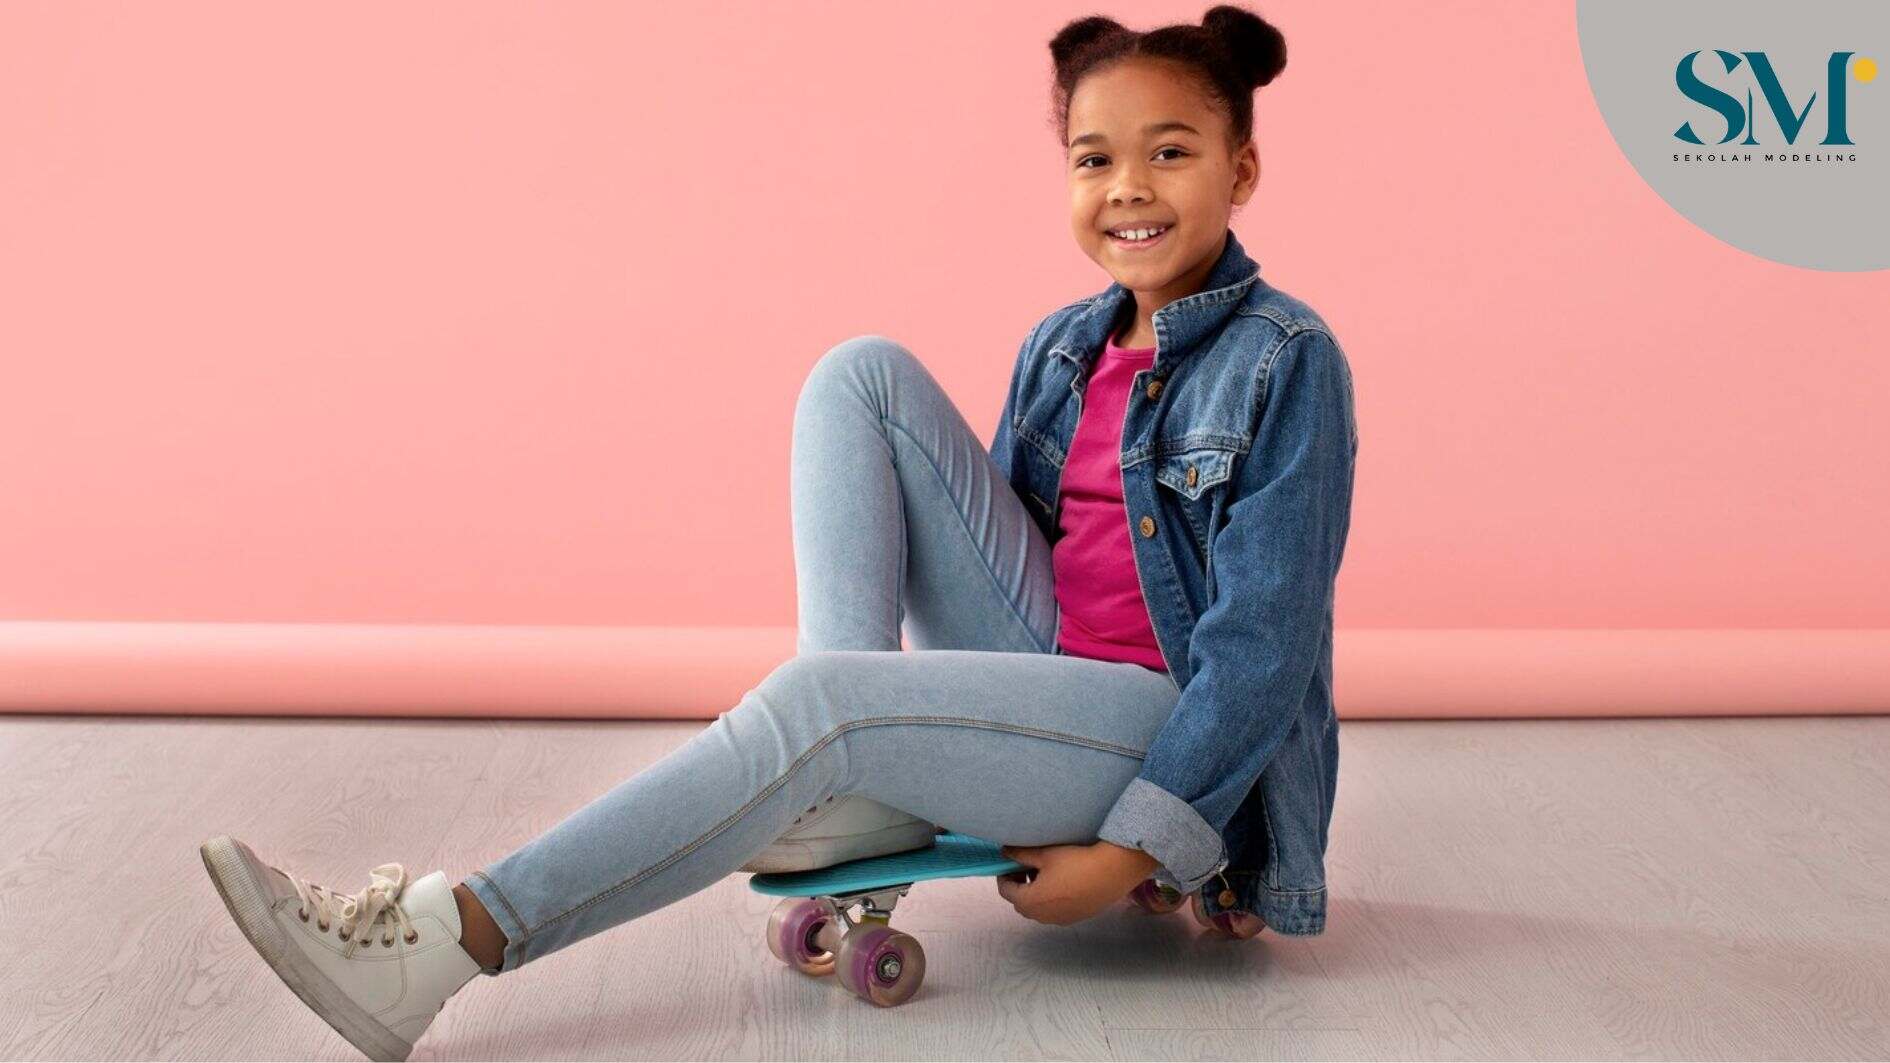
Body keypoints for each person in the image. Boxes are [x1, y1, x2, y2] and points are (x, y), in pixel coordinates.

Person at [199, 5, 1358, 1059]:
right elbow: (1005, 537)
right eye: (1093, 158)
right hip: (1052, 669)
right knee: (860, 373)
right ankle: (840, 782)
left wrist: (1137, 850)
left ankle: (454, 937)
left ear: (1240, 168)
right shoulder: (1064, 344)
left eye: (1170, 151)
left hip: (1154, 726)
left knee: (826, 709)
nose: (1128, 187)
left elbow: (1265, 646)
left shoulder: (1285, 360)